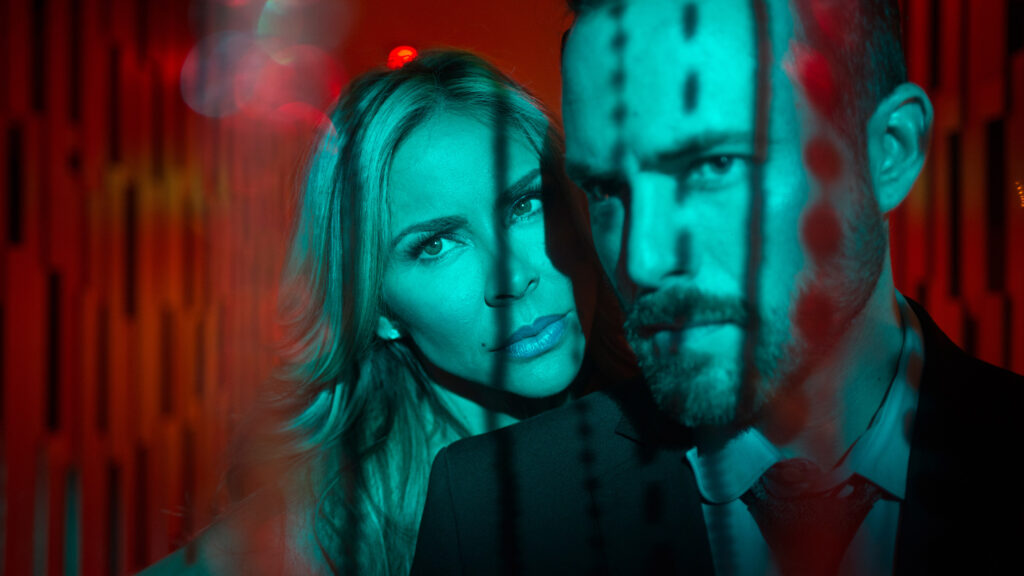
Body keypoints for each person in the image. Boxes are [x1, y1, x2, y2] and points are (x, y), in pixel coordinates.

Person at [411, 1, 1024, 574]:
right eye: (606, 189)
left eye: (714, 165)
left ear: (887, 152)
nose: (643, 259)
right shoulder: (496, 513)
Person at [141, 49, 635, 576]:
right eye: (436, 245)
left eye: (526, 205)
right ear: (379, 310)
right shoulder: (326, 532)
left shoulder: (665, 430)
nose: (512, 278)